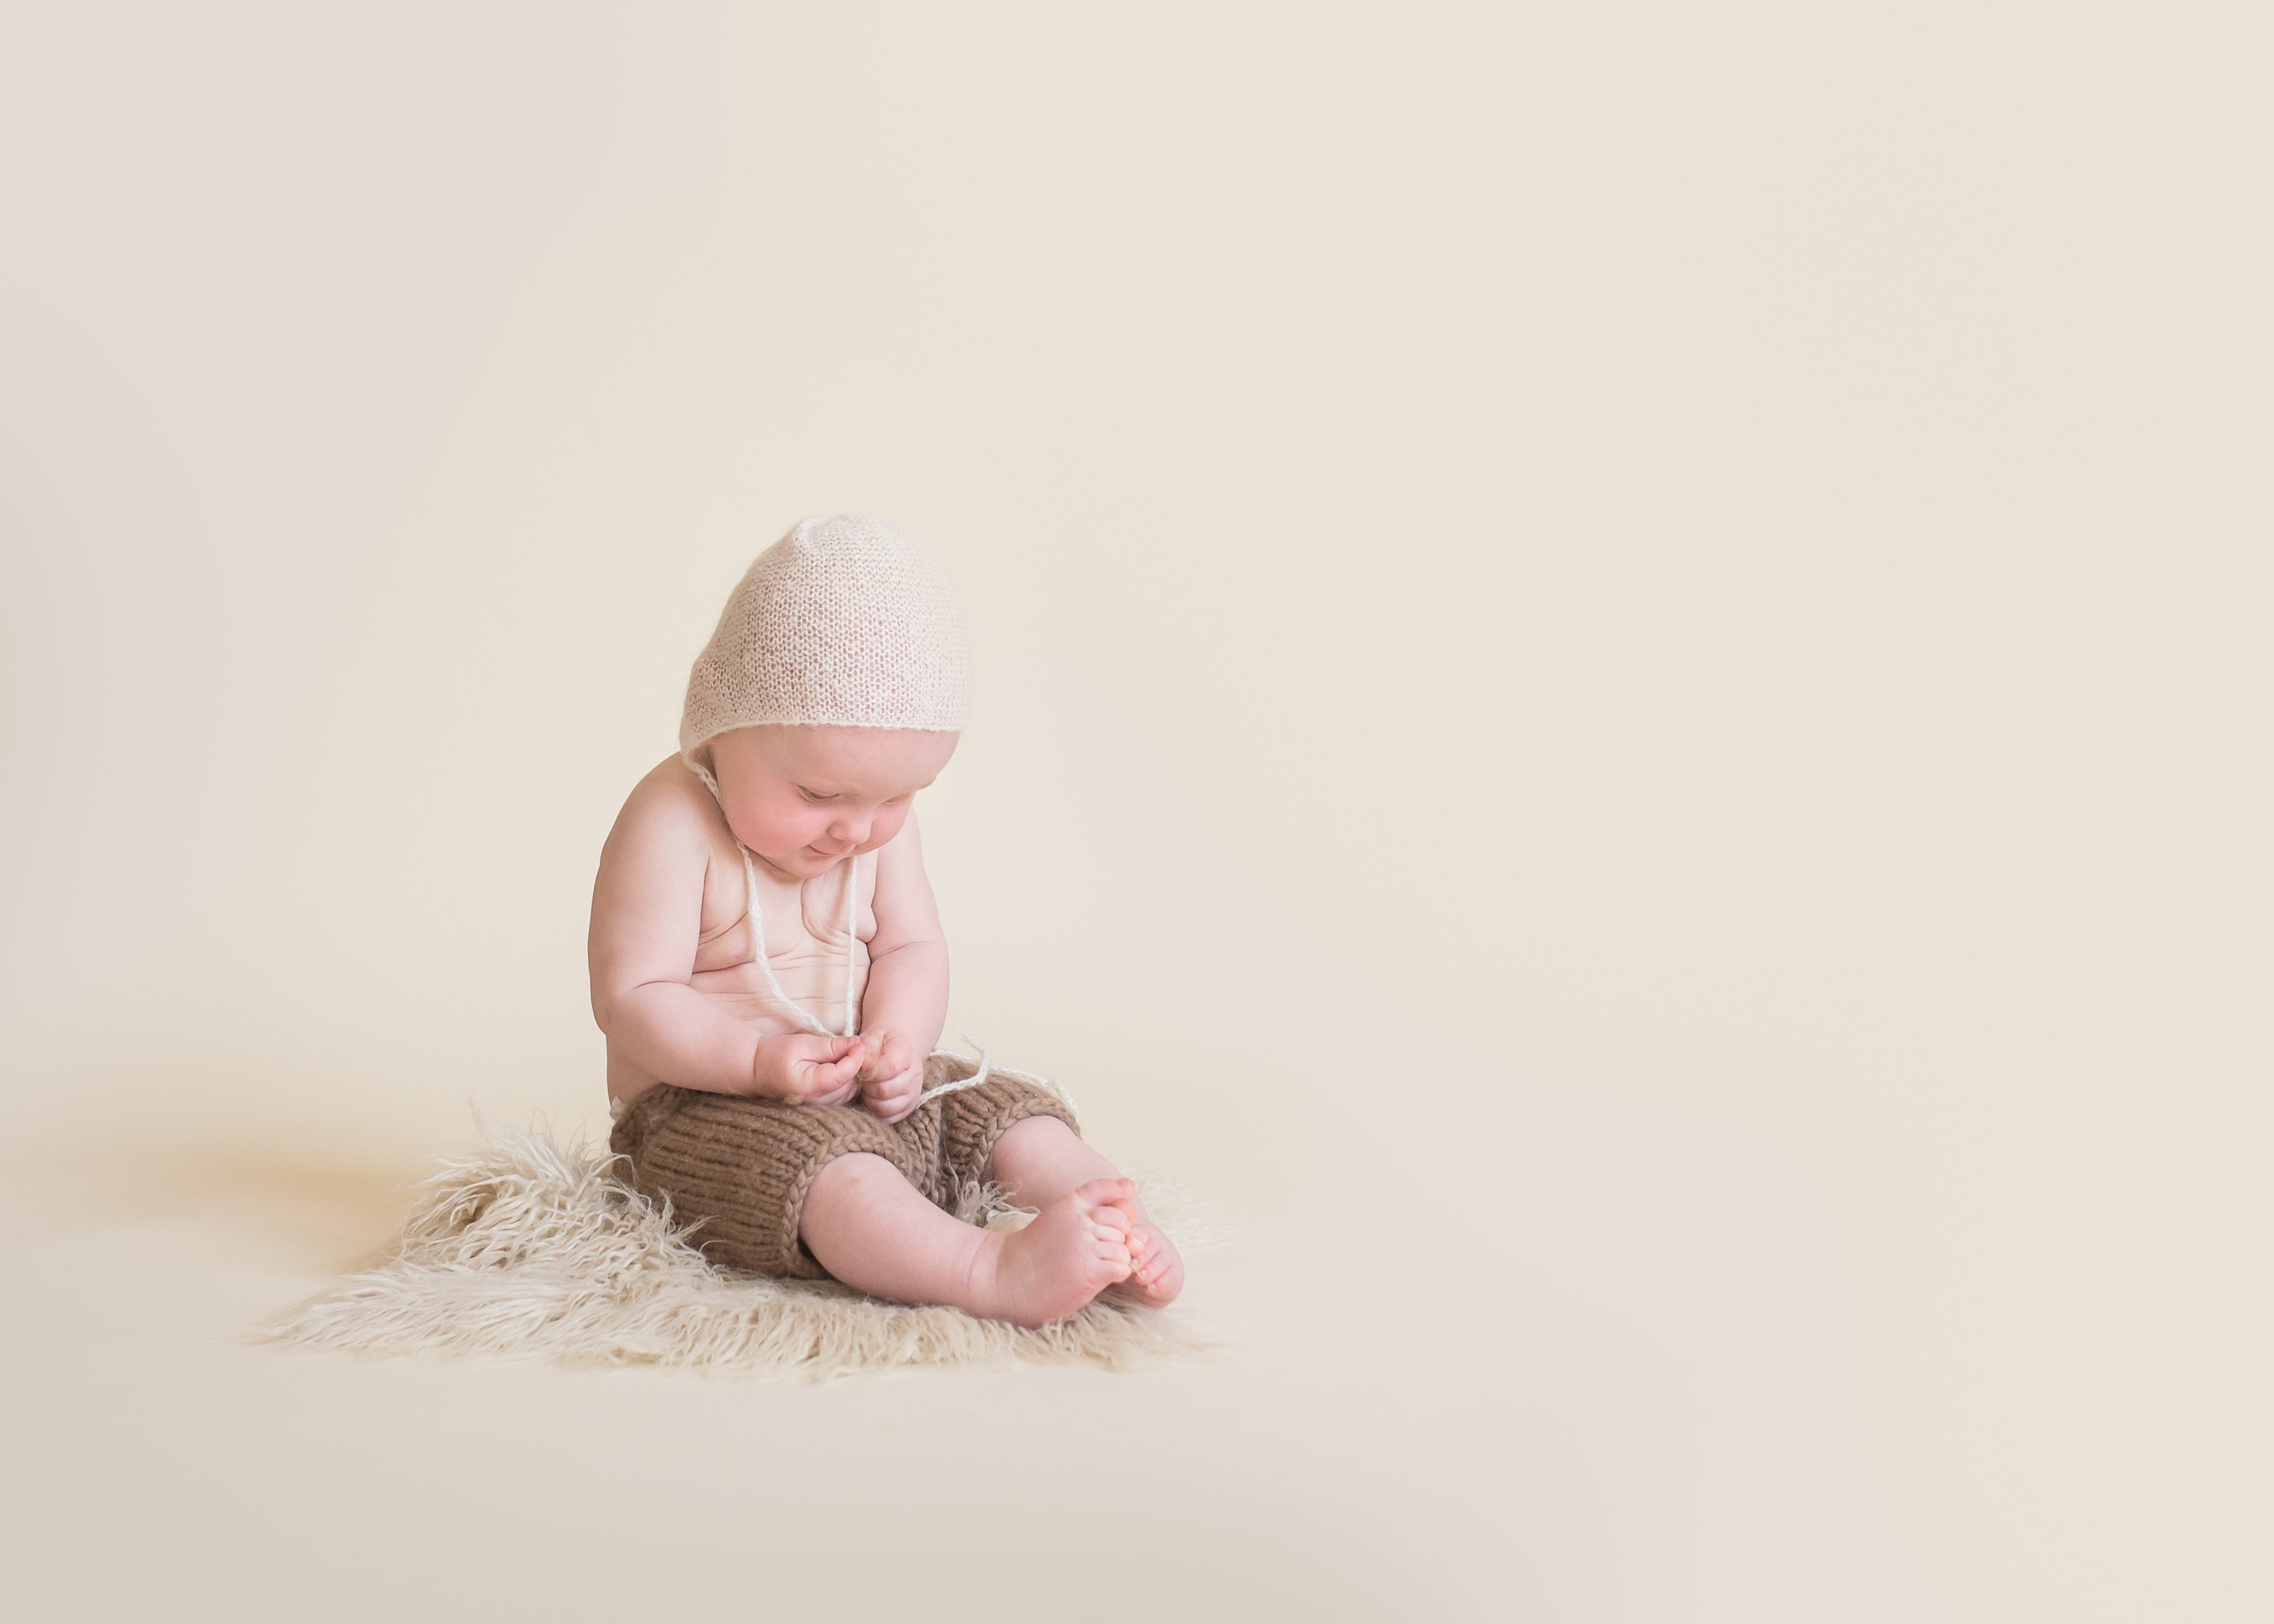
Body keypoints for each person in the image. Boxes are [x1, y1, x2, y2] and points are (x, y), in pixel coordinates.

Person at [587, 513, 1184, 1327]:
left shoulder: (867, 825)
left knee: (1003, 1108)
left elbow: (911, 944)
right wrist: (761, 1062)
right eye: (822, 795)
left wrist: (899, 1040)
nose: (856, 829)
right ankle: (988, 1269)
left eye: (899, 798)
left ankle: (1118, 1229)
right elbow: (634, 995)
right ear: (720, 722)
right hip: (706, 1110)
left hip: (857, 1081)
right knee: (826, 1172)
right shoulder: (673, 817)